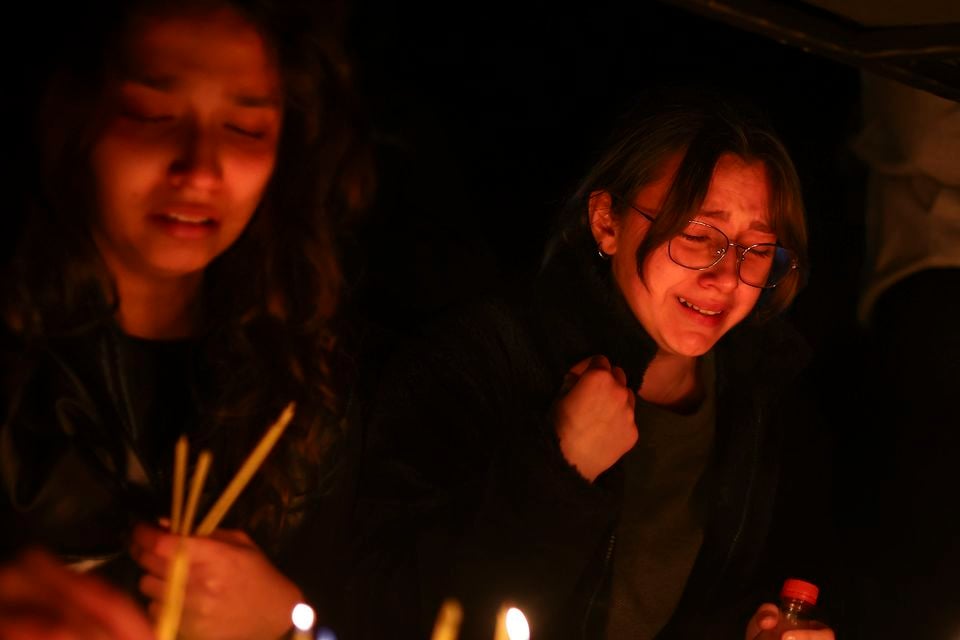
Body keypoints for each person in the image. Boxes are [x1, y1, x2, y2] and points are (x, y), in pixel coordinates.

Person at [348, 89, 838, 639]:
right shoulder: (487, 356)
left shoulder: (761, 394)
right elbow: (384, 605)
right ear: (607, 221)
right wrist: (562, 469)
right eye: (699, 235)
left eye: (756, 250)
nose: (725, 279)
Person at [1, 1, 369, 638]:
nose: (199, 170)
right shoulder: (15, 359)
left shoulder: (305, 390)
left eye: (247, 129)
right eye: (152, 115)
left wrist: (284, 625)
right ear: (74, 113)